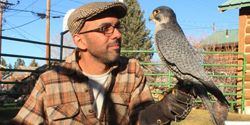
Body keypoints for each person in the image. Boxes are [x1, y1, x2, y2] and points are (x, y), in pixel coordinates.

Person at [12, 1, 194, 125]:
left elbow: (141, 118)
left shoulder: (132, 71)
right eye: (105, 29)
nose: (117, 34)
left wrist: (162, 110)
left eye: (117, 27)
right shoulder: (51, 81)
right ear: (80, 41)